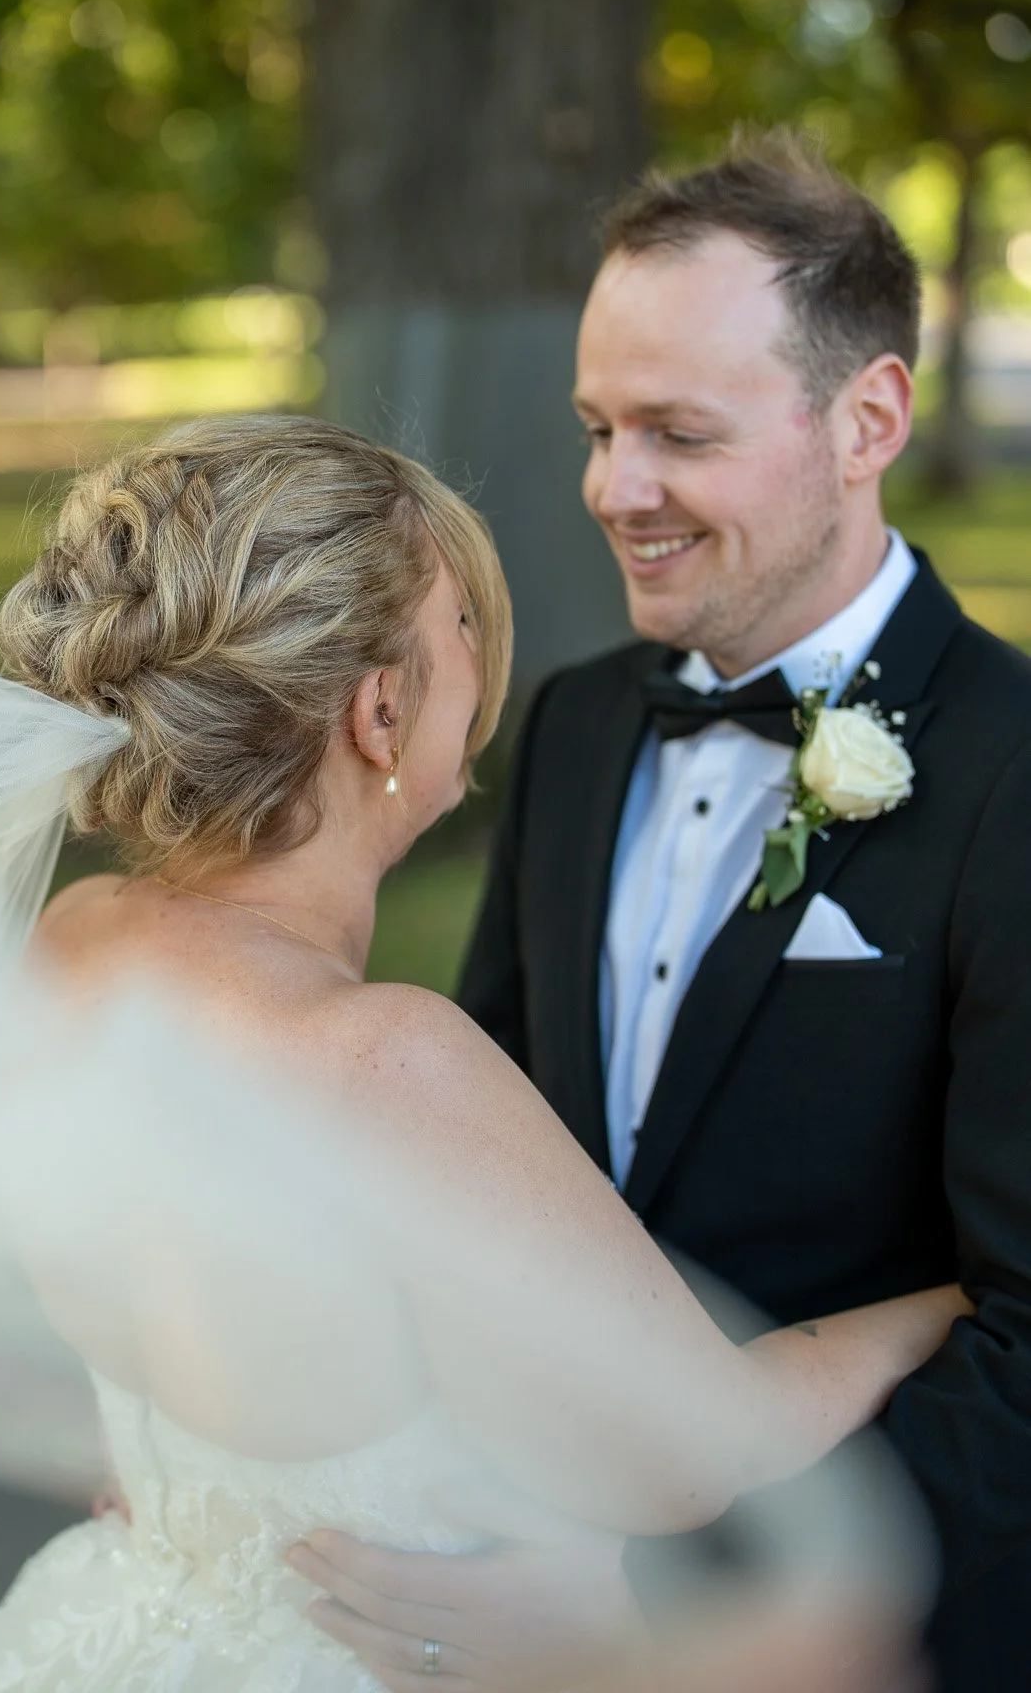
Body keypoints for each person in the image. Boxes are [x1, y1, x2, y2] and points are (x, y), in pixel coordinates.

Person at [0, 416, 955, 1693]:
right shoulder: (382, 1057)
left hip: (113, 1625)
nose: (479, 654)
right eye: (460, 625)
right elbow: (691, 1458)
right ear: (381, 714)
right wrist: (939, 1312)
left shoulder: (71, 943)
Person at [295, 133, 1031, 1693]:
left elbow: (1024, 1342)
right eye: (596, 427)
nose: (613, 491)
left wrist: (670, 1602)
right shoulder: (572, 726)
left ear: (869, 419)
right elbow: (471, 1156)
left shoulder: (1014, 774)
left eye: (678, 434)